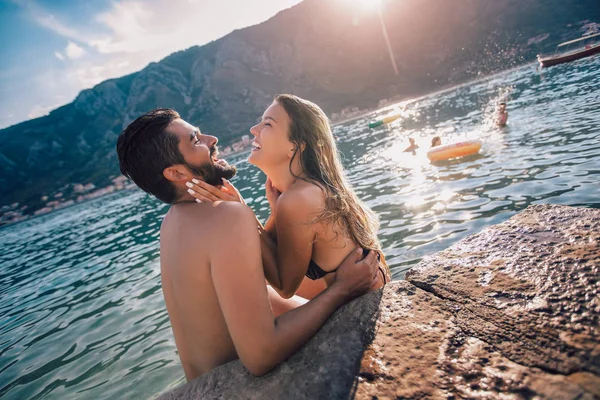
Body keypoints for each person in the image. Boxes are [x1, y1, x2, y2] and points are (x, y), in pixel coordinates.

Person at [116, 108, 381, 381]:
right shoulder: (225, 218)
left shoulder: (172, 223)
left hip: (203, 385)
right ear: (175, 172)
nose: (212, 138)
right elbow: (260, 357)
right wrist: (342, 289)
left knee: (288, 283)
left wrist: (248, 211)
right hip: (236, 387)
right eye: (196, 140)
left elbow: (268, 294)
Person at [187, 94, 390, 301]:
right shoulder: (304, 191)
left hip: (364, 310)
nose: (253, 129)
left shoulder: (299, 199)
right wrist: (270, 213)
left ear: (296, 145)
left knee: (233, 292)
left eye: (268, 124)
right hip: (369, 299)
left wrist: (243, 212)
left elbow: (285, 287)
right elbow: (267, 256)